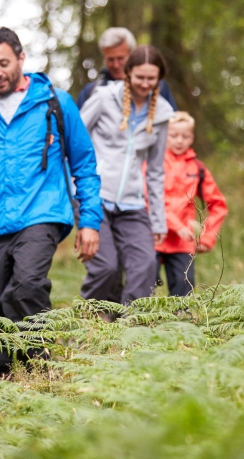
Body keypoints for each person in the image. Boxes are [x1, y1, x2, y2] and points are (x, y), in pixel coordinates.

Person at [0, 27, 102, 378]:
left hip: (41, 213)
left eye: (4, 63)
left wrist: (90, 220)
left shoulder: (55, 102)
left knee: (26, 286)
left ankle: (39, 370)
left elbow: (84, 163)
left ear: (21, 58)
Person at [79, 45, 175, 305]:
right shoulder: (102, 98)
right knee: (106, 268)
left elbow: (155, 171)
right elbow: (74, 140)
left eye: (151, 79)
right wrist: (72, 188)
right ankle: (85, 326)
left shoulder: (163, 114)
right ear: (128, 73)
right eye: (140, 77)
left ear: (159, 79)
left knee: (145, 266)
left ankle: (128, 335)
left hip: (132, 203)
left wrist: (158, 221)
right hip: (95, 197)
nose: (145, 84)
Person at [156, 112, 228, 296]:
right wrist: (176, 225)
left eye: (185, 136)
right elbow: (149, 198)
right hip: (153, 237)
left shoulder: (197, 168)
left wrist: (207, 237)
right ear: (165, 135)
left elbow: (218, 204)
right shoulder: (154, 162)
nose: (179, 140)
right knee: (142, 291)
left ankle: (180, 323)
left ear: (192, 138)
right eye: (174, 135)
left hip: (183, 242)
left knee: (183, 294)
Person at [76, 27, 177, 111]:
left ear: (132, 55)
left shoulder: (155, 86)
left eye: (121, 59)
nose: (116, 65)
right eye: (110, 60)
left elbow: (174, 123)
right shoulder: (91, 91)